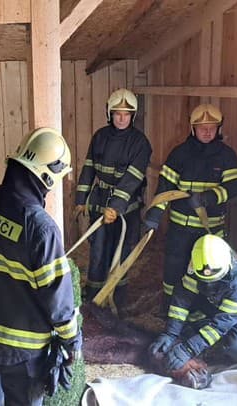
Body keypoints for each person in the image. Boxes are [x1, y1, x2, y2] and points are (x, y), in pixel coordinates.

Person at [0, 128, 81, 406]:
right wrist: (72, 341)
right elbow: (58, 301)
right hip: (22, 351)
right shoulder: (41, 229)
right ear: (47, 175)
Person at [142, 103, 237, 300]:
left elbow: (235, 186)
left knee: (208, 271)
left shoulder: (227, 156)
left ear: (219, 129)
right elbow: (165, 188)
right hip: (179, 229)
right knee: (174, 268)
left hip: (211, 231)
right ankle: (169, 307)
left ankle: (203, 310)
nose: (207, 132)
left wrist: (208, 198)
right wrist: (153, 218)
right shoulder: (179, 153)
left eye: (212, 127)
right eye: (202, 128)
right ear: (193, 128)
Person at [73, 88, 152, 304]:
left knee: (122, 252)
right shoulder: (99, 137)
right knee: (98, 250)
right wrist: (81, 199)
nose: (121, 118)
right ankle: (95, 298)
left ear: (133, 116)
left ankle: (119, 297)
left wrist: (116, 207)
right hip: (100, 203)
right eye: (117, 113)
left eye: (126, 114)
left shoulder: (140, 143)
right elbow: (88, 168)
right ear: (109, 113)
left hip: (127, 209)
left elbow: (132, 180)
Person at [148, 235, 237, 370]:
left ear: (227, 267)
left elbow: (224, 322)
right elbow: (182, 299)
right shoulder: (198, 264)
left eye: (214, 280)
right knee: (187, 327)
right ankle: (213, 342)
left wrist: (189, 349)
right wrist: (170, 333)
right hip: (218, 308)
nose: (208, 285)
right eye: (205, 280)